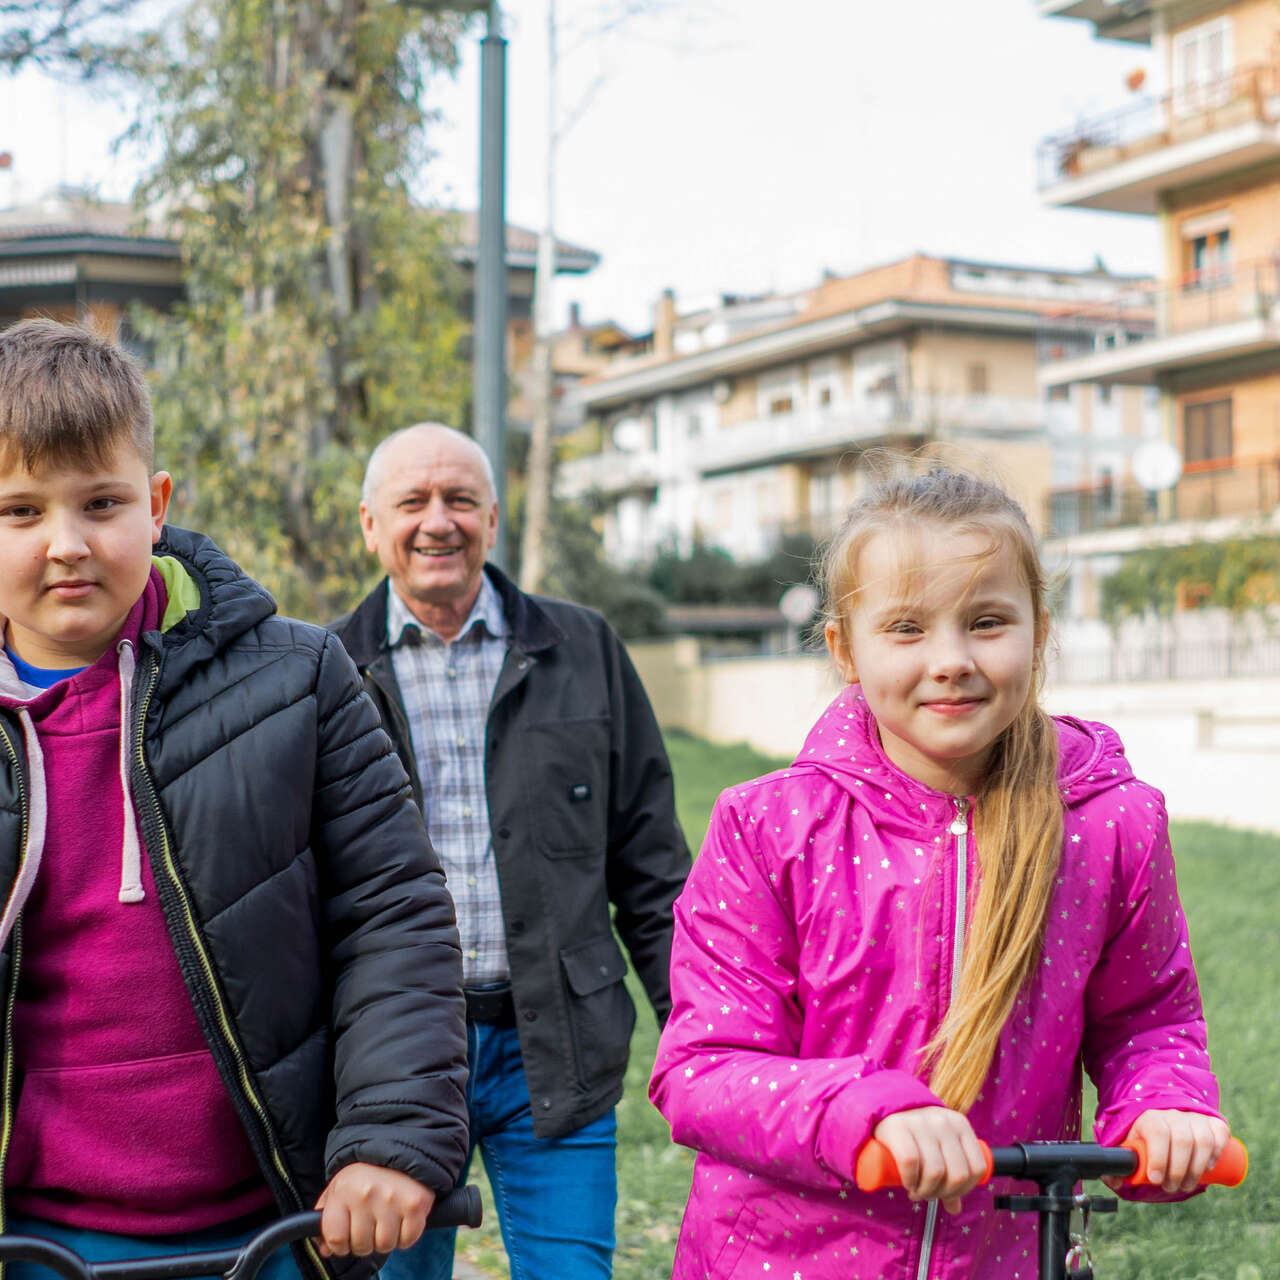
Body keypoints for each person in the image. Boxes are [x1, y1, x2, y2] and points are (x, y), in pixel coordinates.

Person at [649, 466, 1229, 1280]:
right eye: (908, 629)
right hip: (781, 1260)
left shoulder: (1111, 825)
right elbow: (703, 1068)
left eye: (987, 621)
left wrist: (1166, 1106)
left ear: (1041, 631)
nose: (951, 660)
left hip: (1000, 1258)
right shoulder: (767, 826)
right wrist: (861, 1114)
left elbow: (1148, 1019)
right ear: (845, 650)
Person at [0, 320, 469, 1280]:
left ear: (158, 503)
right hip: (34, 1238)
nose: (66, 545)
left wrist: (387, 1135)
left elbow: (394, 916)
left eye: (101, 502)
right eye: (19, 512)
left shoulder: (298, 677)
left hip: (272, 1227)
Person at [331, 422, 691, 1280]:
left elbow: (651, 864)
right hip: (393, 1064)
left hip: (557, 1047)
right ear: (370, 525)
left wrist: (700, 1028)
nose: (437, 521)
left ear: (492, 518)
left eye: (459, 499)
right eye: (411, 501)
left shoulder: (584, 649)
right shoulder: (323, 670)